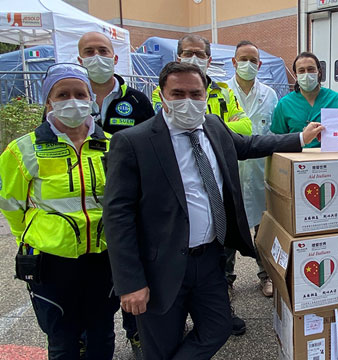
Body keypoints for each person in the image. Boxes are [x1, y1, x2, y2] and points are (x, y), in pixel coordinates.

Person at [103, 62, 323, 360]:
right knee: (161, 346)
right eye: (177, 93)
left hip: (208, 258)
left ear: (206, 94)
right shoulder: (133, 142)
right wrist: (130, 282)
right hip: (161, 265)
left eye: (195, 93)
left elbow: (249, 144)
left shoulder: (214, 126)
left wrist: (300, 139)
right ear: (162, 95)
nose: (188, 101)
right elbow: (118, 217)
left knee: (218, 327)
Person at [0, 63, 118, 359]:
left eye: (80, 93)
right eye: (62, 94)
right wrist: (28, 239)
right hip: (52, 262)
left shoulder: (112, 145)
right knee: (63, 340)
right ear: (48, 101)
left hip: (103, 257)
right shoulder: (22, 149)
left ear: (91, 97)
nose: (73, 100)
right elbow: (11, 204)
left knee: (102, 335)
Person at [152, 34, 252, 334]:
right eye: (187, 53)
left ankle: (220, 309)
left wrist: (212, 126)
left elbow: (246, 131)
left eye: (196, 95)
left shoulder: (219, 99)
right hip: (172, 221)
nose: (188, 101)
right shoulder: (157, 102)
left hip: (214, 215)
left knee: (218, 266)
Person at [77, 31, 153, 358]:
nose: (97, 57)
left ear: (115, 57)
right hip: (85, 215)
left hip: (130, 207)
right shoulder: (68, 98)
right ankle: (90, 338)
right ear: (79, 58)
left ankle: (137, 334)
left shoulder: (135, 101)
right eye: (89, 51)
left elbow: (152, 147)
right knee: (92, 287)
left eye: (103, 50)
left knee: (132, 272)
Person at [225, 40, 278, 297]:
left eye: (253, 60)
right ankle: (226, 279)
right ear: (234, 62)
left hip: (260, 171)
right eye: (242, 59)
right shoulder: (221, 92)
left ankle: (265, 274)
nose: (248, 64)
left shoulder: (270, 94)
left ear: (260, 64)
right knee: (227, 228)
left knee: (263, 230)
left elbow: (274, 133)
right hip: (229, 170)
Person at [150, 34, 252, 135]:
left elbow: (246, 127)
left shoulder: (224, 92)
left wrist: (200, 128)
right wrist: (223, 127)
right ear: (179, 59)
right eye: (188, 53)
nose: (194, 59)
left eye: (200, 54)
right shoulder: (163, 92)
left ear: (209, 61)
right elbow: (166, 128)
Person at [271, 52, 338, 147]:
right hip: (298, 159)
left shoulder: (337, 100)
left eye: (311, 69)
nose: (306, 74)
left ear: (319, 72)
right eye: (301, 71)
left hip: (330, 158)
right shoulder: (285, 104)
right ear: (296, 75)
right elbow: (279, 139)